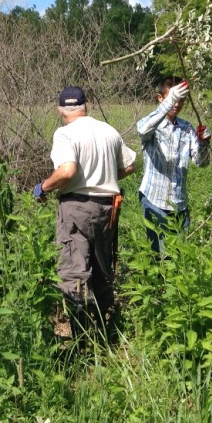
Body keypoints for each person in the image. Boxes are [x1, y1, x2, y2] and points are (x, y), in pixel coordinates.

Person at [33, 86, 137, 325]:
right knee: (102, 269)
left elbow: (67, 171)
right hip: (108, 208)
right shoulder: (108, 130)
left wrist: (43, 187)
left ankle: (80, 338)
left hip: (76, 206)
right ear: (85, 106)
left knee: (74, 272)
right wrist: (105, 176)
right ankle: (105, 331)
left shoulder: (65, 134)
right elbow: (130, 165)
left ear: (60, 110)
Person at [136, 77, 211, 253]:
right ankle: (155, 281)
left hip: (179, 204)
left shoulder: (186, 128)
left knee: (177, 255)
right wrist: (170, 100)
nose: (177, 104)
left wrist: (204, 143)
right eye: (173, 99)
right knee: (158, 254)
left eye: (181, 100)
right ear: (160, 98)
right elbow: (142, 129)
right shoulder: (153, 124)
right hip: (154, 201)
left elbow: (201, 162)